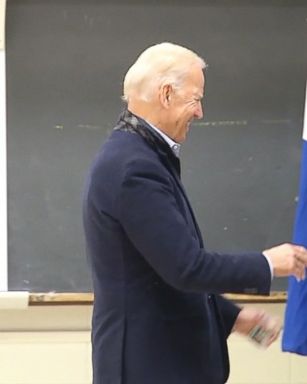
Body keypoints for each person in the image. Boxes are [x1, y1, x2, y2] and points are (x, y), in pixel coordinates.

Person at [83, 42, 307, 384]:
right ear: (167, 94)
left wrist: (231, 316)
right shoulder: (133, 168)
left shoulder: (142, 156)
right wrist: (267, 263)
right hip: (150, 368)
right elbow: (185, 267)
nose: (200, 112)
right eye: (196, 99)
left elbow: (157, 271)